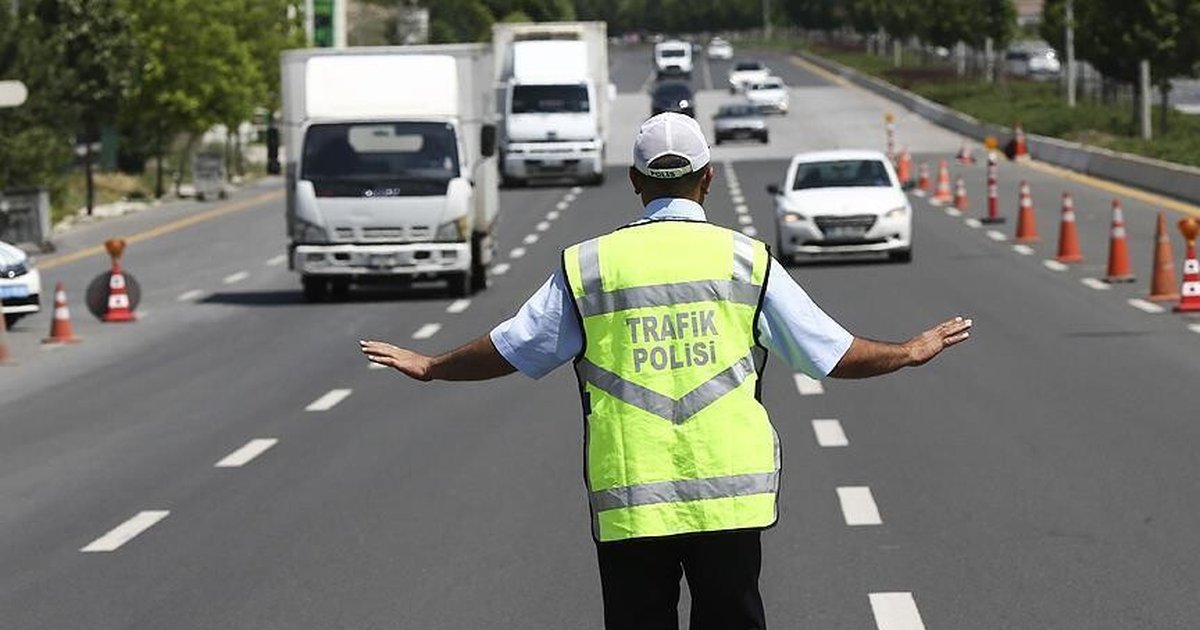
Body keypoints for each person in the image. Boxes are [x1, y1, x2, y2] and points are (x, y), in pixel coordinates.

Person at [360, 112, 972, 630]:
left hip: (632, 497)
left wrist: (432, 365)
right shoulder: (745, 260)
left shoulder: (591, 265)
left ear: (635, 182)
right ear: (708, 178)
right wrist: (907, 351)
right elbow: (829, 354)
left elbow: (515, 347)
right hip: (731, 499)